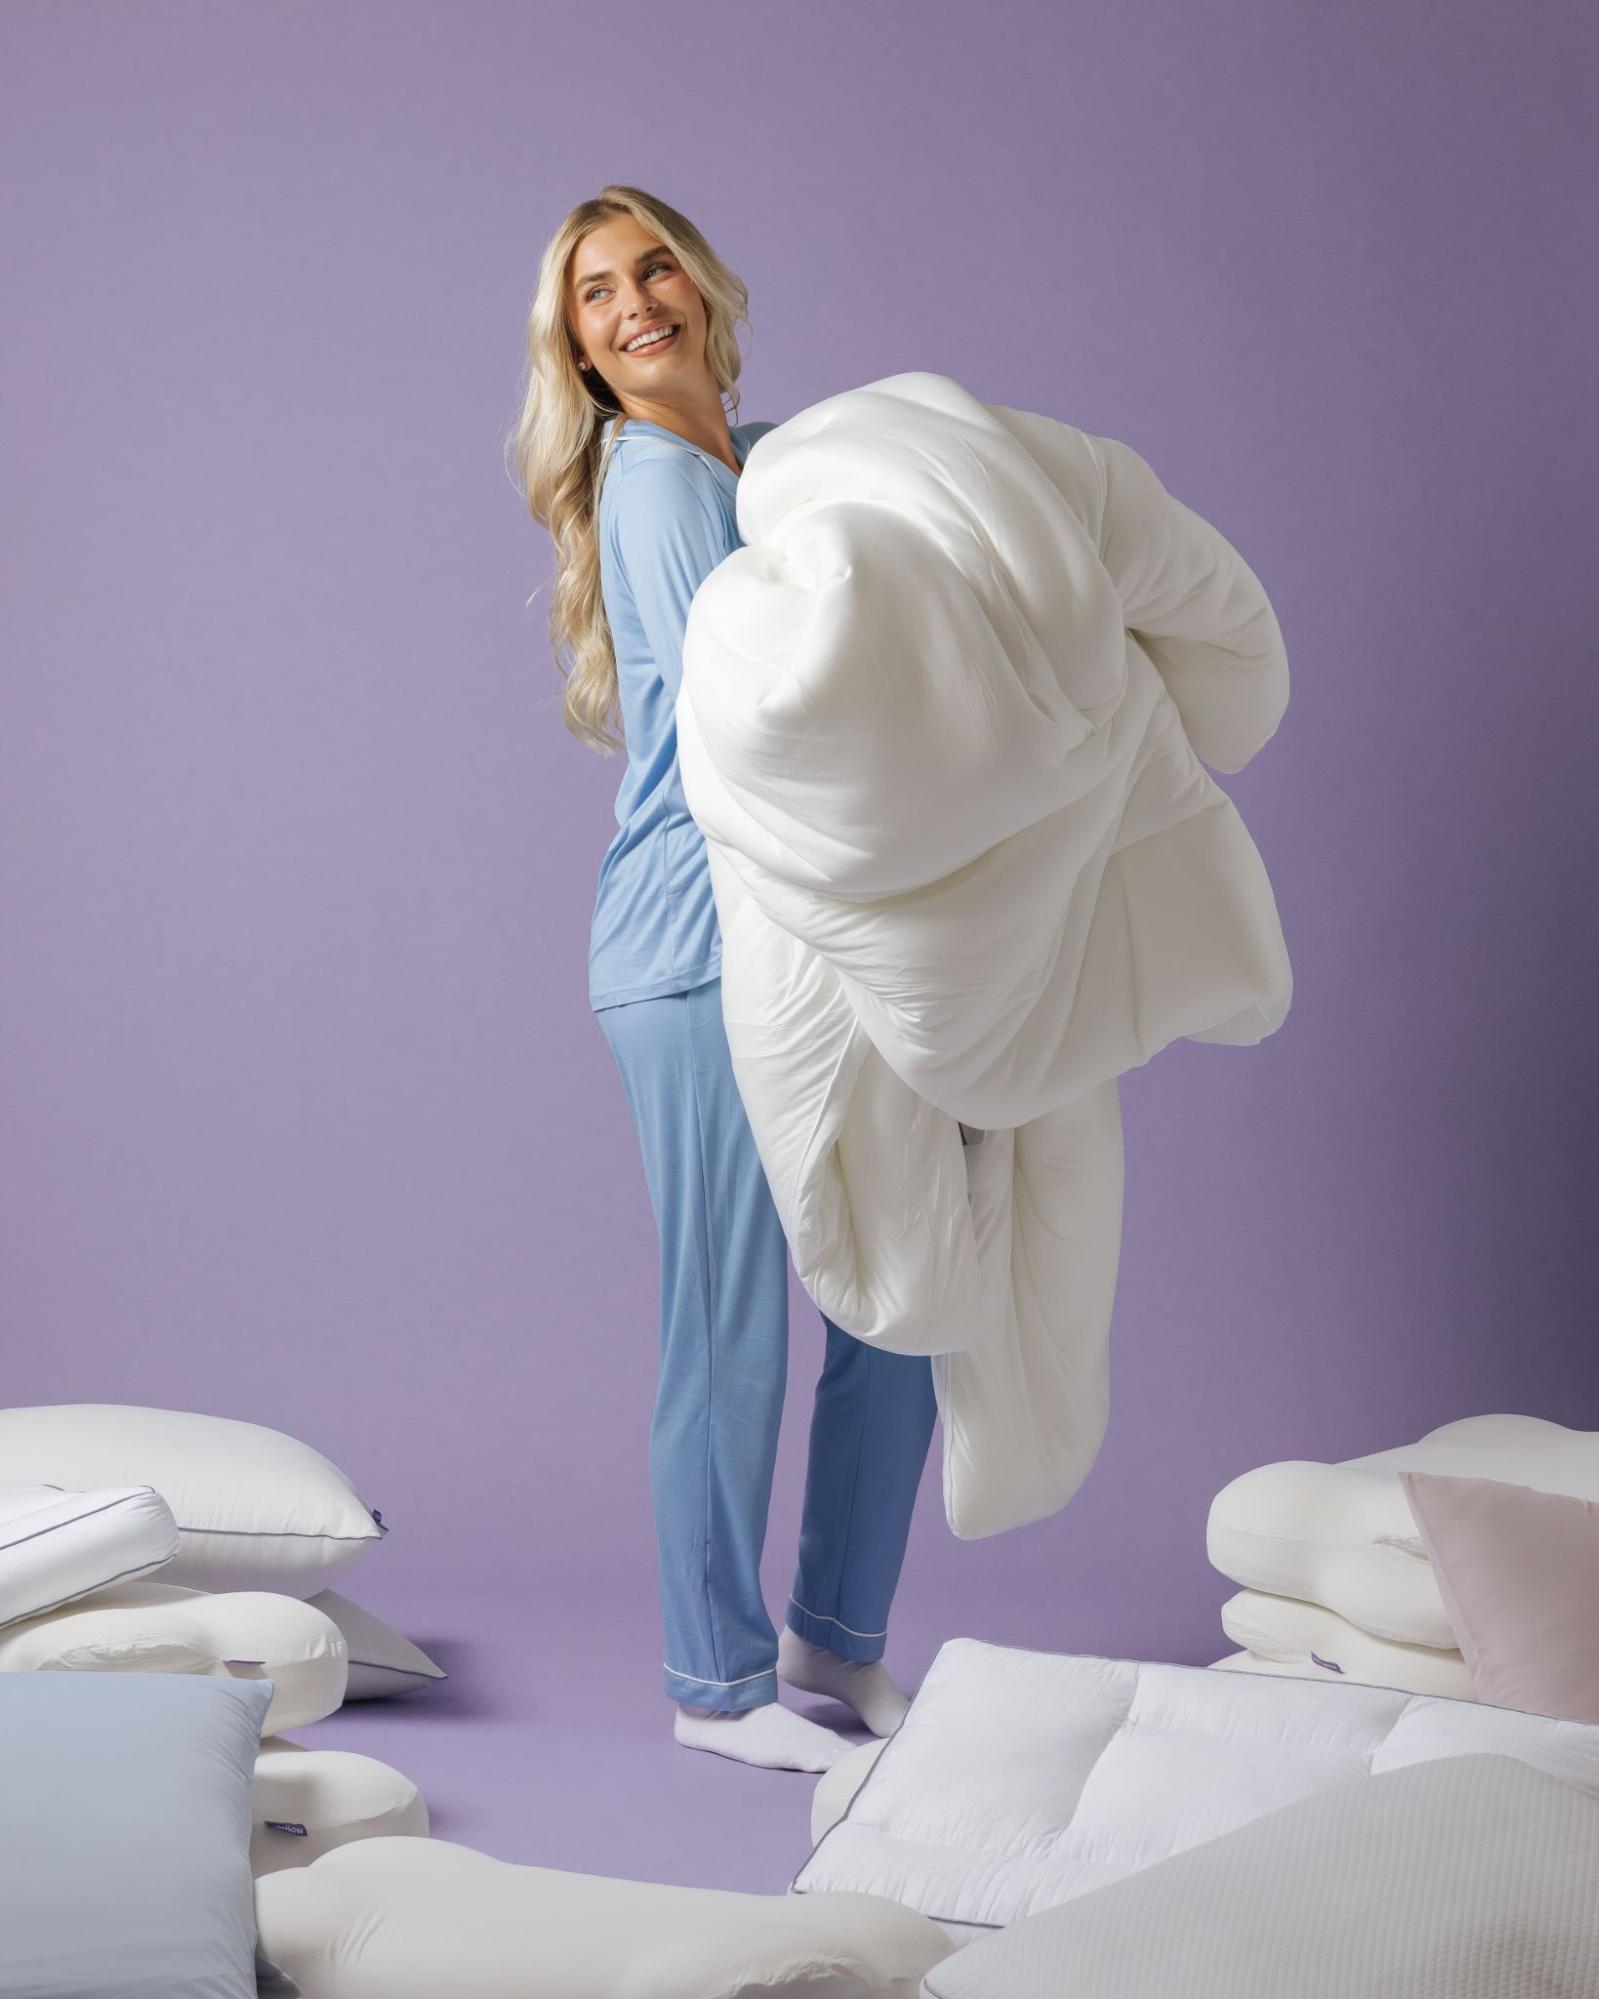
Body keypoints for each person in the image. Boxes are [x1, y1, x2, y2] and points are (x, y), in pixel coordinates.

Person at [510, 185, 938, 1773]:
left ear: (703, 283)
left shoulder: (762, 463)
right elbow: (766, 725)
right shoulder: (657, 481)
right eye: (596, 293)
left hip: (808, 932)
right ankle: (716, 1686)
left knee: (902, 1300)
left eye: (655, 267)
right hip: (693, 950)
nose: (635, 302)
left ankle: (838, 1631)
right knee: (731, 1324)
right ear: (579, 348)